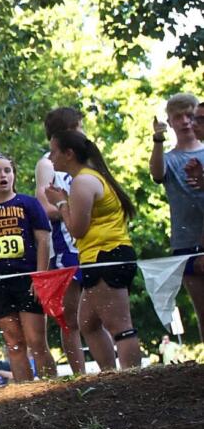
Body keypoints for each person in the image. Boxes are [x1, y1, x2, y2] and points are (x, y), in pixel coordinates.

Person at [46, 131, 141, 370]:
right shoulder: (88, 178)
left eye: (54, 151)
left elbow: (77, 229)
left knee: (119, 324)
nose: (50, 157)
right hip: (96, 257)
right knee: (87, 323)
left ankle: (135, 379)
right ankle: (110, 375)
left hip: (106, 255)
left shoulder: (83, 181)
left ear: (69, 154)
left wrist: (60, 203)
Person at [0, 154, 54, 383]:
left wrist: (41, 277)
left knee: (36, 341)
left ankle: (53, 389)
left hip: (27, 278)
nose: (2, 175)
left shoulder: (28, 203)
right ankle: (24, 393)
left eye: (7, 170)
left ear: (13, 175)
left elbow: (44, 240)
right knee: (14, 343)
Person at [34, 107, 88, 375]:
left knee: (100, 310)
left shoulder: (87, 161)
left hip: (92, 240)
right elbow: (43, 206)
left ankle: (111, 369)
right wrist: (71, 209)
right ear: (66, 131)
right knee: (72, 317)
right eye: (80, 128)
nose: (84, 133)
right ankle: (79, 375)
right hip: (66, 245)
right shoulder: (47, 163)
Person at [150, 92, 204, 341]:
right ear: (170, 122)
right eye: (178, 117)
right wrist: (157, 140)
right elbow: (157, 173)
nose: (184, 121)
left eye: (190, 116)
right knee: (201, 308)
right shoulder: (169, 158)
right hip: (185, 242)